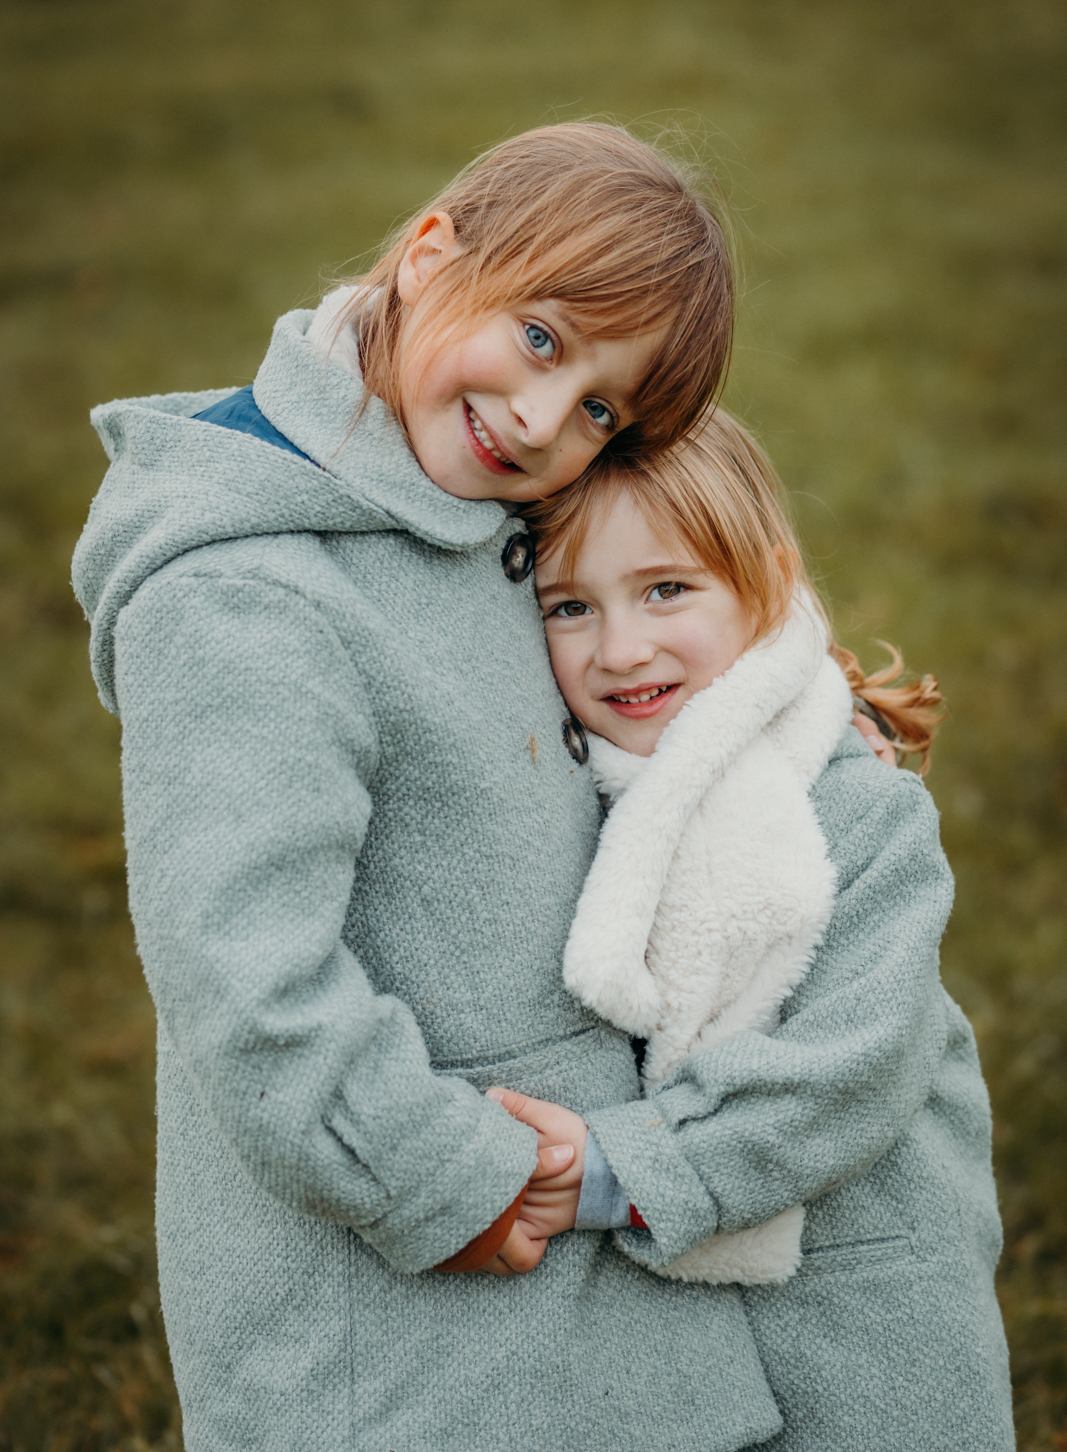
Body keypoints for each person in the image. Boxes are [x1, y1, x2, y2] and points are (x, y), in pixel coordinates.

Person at [74, 120, 800, 1452]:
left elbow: (634, 653)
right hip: (405, 1309)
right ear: (424, 253)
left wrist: (786, 722)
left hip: (573, 1269)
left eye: (599, 409)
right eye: (537, 338)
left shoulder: (456, 486)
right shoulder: (249, 596)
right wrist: (443, 1173)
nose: (539, 420)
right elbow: (244, 968)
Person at [487, 409, 1014, 1450]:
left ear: (766, 582)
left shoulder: (852, 809)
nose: (620, 648)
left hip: (865, 1299)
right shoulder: (576, 806)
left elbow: (852, 1066)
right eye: (567, 606)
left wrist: (615, 1168)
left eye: (666, 588)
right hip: (665, 1328)